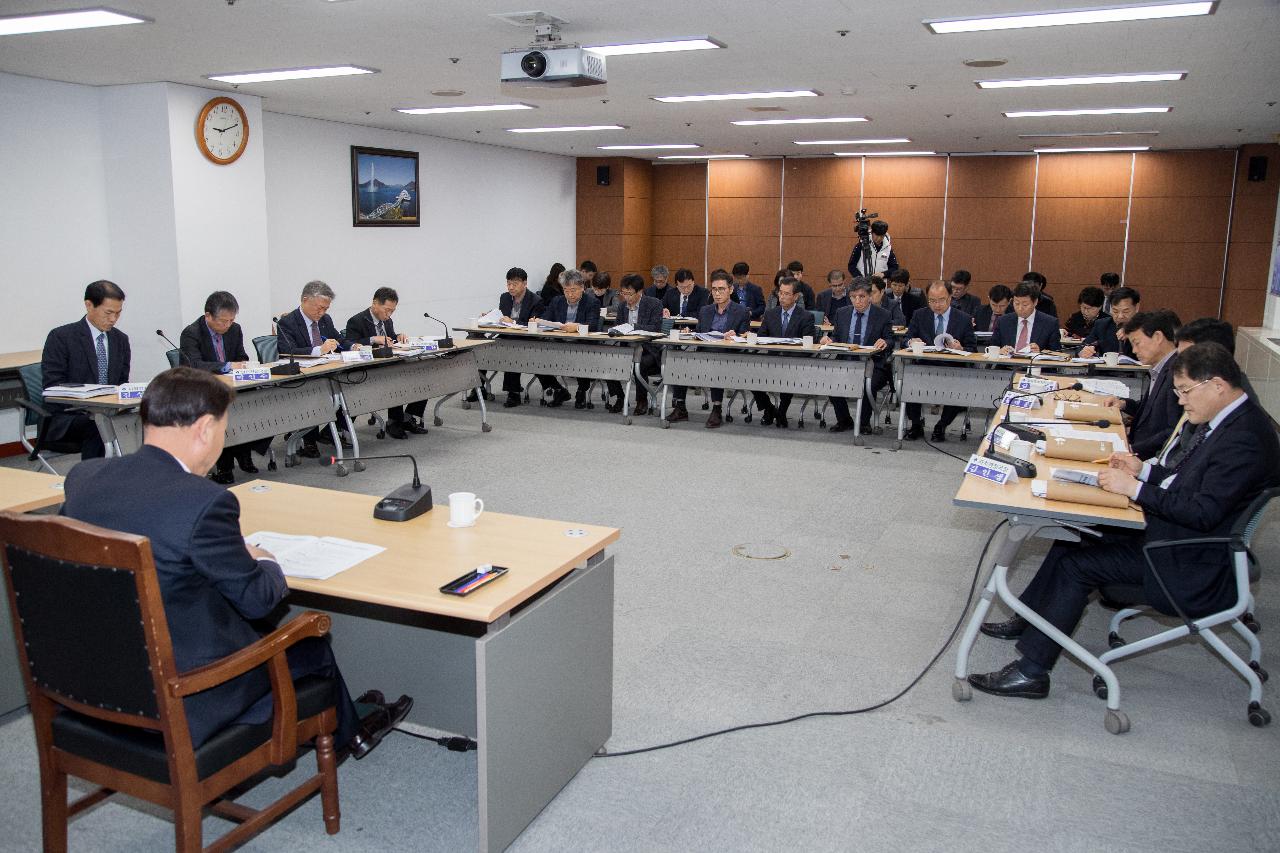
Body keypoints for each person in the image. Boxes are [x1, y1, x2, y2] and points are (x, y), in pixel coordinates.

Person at [60, 367, 413, 756]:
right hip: (184, 694)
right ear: (205, 429)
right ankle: (350, 737)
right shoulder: (203, 502)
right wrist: (264, 560)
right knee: (312, 643)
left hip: (90, 679)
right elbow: (259, 599)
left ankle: (353, 730)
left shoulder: (83, 477)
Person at [970, 343, 1280, 700]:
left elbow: (1202, 512)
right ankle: (1031, 617)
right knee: (1075, 532)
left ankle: (1032, 672)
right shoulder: (1231, 420)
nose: (1180, 401)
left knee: (1076, 565)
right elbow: (1188, 482)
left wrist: (1134, 489)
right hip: (1179, 537)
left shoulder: (1244, 439)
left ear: (1217, 385)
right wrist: (1143, 470)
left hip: (1188, 558)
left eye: (1184, 391)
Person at [179, 290, 270, 484]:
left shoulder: (234, 329)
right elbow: (192, 365)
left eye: (231, 320)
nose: (227, 325)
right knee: (223, 413)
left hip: (233, 385)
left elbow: (241, 356)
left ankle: (243, 452)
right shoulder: (191, 333)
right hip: (203, 390)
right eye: (222, 321)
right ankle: (224, 464)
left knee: (259, 403)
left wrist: (245, 365)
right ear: (208, 316)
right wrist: (226, 366)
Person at [41, 279, 131, 460]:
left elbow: (121, 383)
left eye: (118, 313)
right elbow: (53, 386)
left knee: (145, 420)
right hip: (68, 417)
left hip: (109, 412)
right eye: (108, 313)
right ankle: (92, 482)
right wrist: (92, 405)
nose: (113, 319)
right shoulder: (62, 337)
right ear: (89, 305)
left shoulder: (120, 340)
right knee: (98, 425)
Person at [276, 280, 358, 457]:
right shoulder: (287, 322)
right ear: (305, 300)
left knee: (352, 386)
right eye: (319, 308)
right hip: (303, 377)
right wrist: (318, 350)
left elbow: (340, 341)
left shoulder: (325, 320)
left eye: (326, 309)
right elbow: (287, 352)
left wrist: (353, 347)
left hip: (326, 372)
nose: (322, 313)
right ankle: (308, 440)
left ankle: (331, 432)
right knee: (314, 393)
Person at [666, 271, 750, 428]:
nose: (717, 293)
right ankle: (680, 406)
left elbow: (744, 337)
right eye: (714, 289)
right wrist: (689, 333)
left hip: (727, 357)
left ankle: (717, 408)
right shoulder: (705, 310)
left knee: (715, 362)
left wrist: (735, 335)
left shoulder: (741, 311)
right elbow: (700, 333)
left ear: (730, 290)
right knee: (679, 360)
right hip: (704, 352)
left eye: (721, 289)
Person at [344, 287, 429, 439]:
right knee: (396, 378)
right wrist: (371, 339)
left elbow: (389, 339)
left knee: (422, 373)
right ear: (375, 303)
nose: (389, 314)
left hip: (390, 362)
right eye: (387, 310)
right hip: (370, 369)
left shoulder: (387, 321)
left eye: (392, 311)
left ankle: (408, 417)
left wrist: (398, 337)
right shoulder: (356, 321)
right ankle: (394, 422)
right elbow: (348, 343)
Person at [1103, 310, 1182, 460]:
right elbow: (1152, 410)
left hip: (1148, 459)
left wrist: (1131, 449)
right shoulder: (1161, 368)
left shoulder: (1177, 373)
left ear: (1158, 337)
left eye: (1137, 343)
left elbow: (1173, 431)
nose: (1134, 350)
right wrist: (1124, 403)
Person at [904, 281, 977, 441]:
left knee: (959, 388)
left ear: (950, 298)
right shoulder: (919, 314)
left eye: (941, 300)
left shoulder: (963, 319)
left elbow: (973, 349)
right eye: (932, 300)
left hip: (953, 370)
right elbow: (907, 338)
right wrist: (911, 342)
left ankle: (941, 426)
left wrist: (961, 349)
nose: (936, 305)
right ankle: (916, 425)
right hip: (924, 367)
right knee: (907, 381)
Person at [823, 278, 892, 434]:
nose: (857, 301)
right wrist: (829, 340)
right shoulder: (842, 313)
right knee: (830, 382)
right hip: (847, 362)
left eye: (861, 296)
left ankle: (864, 422)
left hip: (873, 364)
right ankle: (844, 420)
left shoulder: (883, 315)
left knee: (869, 384)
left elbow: (890, 339)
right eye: (854, 297)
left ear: (869, 296)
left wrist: (885, 341)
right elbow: (836, 337)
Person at [751, 277, 815, 429]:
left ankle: (782, 412)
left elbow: (808, 344)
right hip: (771, 361)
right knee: (750, 375)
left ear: (795, 296)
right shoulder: (771, 314)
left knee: (788, 374)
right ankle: (769, 408)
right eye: (780, 293)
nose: (782, 297)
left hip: (794, 363)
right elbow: (761, 337)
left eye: (787, 294)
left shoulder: (806, 317)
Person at [540, 269, 602, 408]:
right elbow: (546, 319)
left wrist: (577, 327)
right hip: (559, 344)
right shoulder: (557, 301)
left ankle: (582, 390)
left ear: (582, 287)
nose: (569, 294)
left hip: (583, 345)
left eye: (573, 290)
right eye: (566, 290)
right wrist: (538, 321)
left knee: (579, 355)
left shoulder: (592, 302)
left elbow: (592, 324)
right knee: (537, 357)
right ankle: (558, 389)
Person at [607, 274, 663, 415]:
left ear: (639, 292)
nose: (626, 297)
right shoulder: (622, 306)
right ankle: (620, 397)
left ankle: (641, 400)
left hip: (648, 349)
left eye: (629, 294)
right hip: (627, 348)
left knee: (640, 363)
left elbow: (655, 327)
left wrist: (633, 326)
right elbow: (618, 326)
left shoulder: (654, 303)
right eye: (623, 293)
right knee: (607, 361)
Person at [496, 266, 544, 408]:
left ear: (525, 283)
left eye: (514, 284)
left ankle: (513, 393)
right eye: (508, 283)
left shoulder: (536, 300)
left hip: (528, 338)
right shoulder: (504, 297)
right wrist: (490, 317)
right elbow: (501, 316)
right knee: (480, 344)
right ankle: (479, 389)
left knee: (512, 349)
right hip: (507, 336)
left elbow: (534, 324)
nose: (510, 287)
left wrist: (514, 322)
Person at [991, 281, 1061, 354]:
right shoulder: (1003, 321)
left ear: (1035, 302)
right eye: (1017, 303)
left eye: (1025, 304)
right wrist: (1000, 351)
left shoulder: (1050, 323)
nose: (1020, 308)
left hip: (1034, 364)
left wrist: (1040, 353)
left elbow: (1057, 354)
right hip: (1008, 364)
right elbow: (992, 348)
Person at [1080, 286, 1141, 359]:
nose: (1120, 316)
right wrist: (1084, 351)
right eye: (1115, 311)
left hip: (1137, 370)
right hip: (1106, 370)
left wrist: (1132, 333)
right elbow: (1082, 346)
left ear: (1137, 307)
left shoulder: (1145, 326)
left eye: (1126, 311)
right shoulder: (1102, 325)